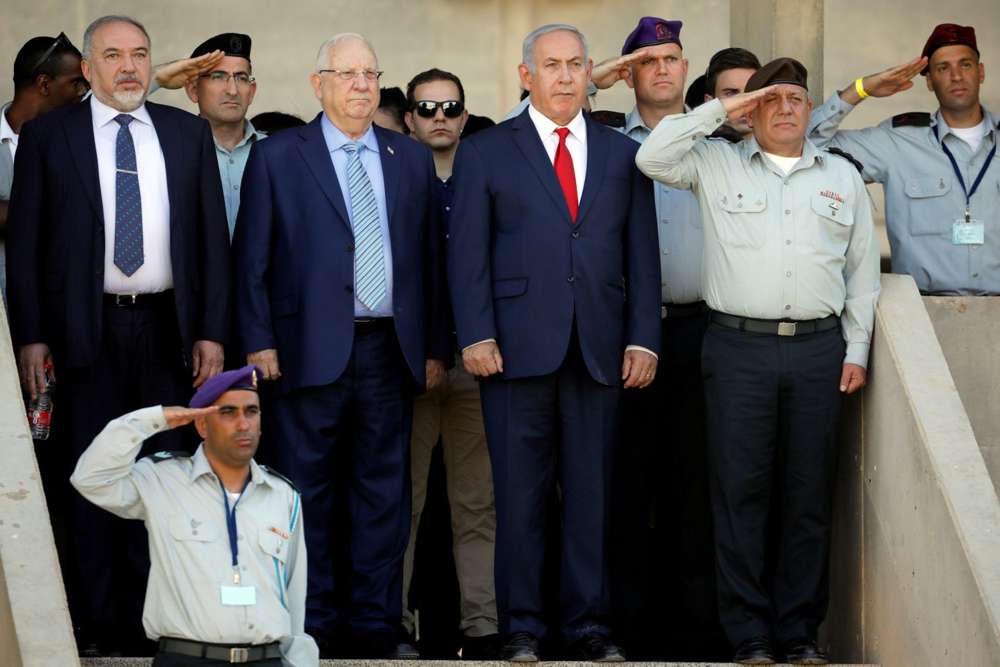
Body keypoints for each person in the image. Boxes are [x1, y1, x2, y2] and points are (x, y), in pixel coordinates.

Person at [636, 58, 880, 665]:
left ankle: (798, 632)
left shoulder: (840, 177)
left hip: (819, 351)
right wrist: (724, 110)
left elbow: (862, 273)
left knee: (807, 494)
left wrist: (856, 348)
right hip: (738, 349)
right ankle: (747, 634)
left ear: (808, 107)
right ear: (753, 111)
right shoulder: (716, 162)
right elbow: (653, 156)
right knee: (739, 492)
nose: (787, 107)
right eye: (772, 97)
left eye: (797, 97)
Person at [6, 14, 230, 654]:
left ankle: (153, 621)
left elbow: (212, 239)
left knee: (165, 474)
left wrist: (213, 330)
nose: (128, 67)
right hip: (85, 329)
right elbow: (26, 246)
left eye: (139, 54)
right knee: (91, 473)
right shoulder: (52, 135)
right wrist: (32, 337)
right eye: (113, 55)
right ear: (88, 67)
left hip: (169, 328)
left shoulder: (187, 134)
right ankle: (98, 624)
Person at [448, 23, 660, 662]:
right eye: (551, 65)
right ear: (526, 76)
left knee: (591, 496)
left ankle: (588, 627)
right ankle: (522, 629)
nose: (565, 76)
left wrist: (644, 339)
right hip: (513, 350)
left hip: (599, 348)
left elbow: (641, 254)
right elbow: (468, 257)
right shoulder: (486, 150)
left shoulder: (621, 153)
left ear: (590, 72)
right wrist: (476, 333)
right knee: (518, 496)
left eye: (575, 65)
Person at [233, 32, 448, 659]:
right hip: (306, 350)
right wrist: (258, 339)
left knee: (384, 493)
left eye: (370, 74)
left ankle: (377, 623)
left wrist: (435, 345)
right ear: (317, 83)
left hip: (391, 348)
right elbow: (252, 258)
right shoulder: (278, 156)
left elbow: (428, 262)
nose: (361, 85)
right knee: (307, 492)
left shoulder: (407, 157)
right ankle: (315, 620)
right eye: (347, 73)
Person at [586, 17, 725, 659]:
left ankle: (695, 630)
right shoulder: (603, 140)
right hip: (622, 337)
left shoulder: (717, 140)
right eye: (647, 61)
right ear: (628, 74)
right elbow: (517, 136)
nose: (663, 69)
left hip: (702, 330)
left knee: (697, 483)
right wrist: (589, 82)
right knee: (622, 482)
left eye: (672, 57)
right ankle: (628, 626)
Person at [70, 365, 318, 666]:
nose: (243, 424)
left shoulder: (283, 495)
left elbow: (294, 594)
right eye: (228, 412)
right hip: (187, 658)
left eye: (251, 412)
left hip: (265, 659)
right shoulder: (162, 480)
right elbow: (91, 478)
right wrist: (156, 419)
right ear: (201, 425)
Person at [400, 67, 499, 659]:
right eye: (426, 107)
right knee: (401, 504)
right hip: (411, 367)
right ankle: (395, 623)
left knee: (477, 505)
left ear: (465, 115)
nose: (439, 116)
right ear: (409, 117)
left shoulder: (489, 176)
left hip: (478, 367)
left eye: (450, 107)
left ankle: (482, 627)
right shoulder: (389, 178)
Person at [808, 23, 998, 295]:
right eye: (943, 68)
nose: (956, 76)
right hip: (921, 313)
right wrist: (861, 89)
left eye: (965, 64)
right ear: (930, 81)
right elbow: (807, 146)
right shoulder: (898, 142)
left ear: (980, 72)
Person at [1, 33, 88, 297]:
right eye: (75, 83)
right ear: (44, 84)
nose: (82, 92)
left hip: (61, 304)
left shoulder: (74, 136)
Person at [184, 33, 266, 239]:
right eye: (218, 76)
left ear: (252, 91)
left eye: (241, 78)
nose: (232, 90)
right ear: (193, 90)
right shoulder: (176, 152)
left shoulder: (277, 152)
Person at [703, 47, 761, 140]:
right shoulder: (696, 151)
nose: (744, 102)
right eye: (731, 94)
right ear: (710, 102)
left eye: (751, 93)